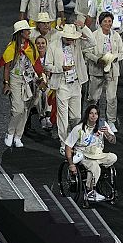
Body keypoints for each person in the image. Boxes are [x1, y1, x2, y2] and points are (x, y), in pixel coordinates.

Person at [46, 23, 94, 153]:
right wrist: (60, 68)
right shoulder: (53, 45)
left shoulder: (78, 44)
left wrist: (84, 27)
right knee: (63, 118)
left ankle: (76, 141)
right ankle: (64, 144)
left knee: (76, 117)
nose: (71, 41)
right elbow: (47, 65)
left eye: (72, 38)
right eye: (68, 38)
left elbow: (92, 41)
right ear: (63, 36)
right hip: (62, 84)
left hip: (76, 84)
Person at [0, 21, 44, 148]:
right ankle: (10, 132)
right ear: (21, 33)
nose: (30, 32)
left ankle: (18, 136)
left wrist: (41, 78)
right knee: (17, 109)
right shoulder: (12, 48)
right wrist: (6, 83)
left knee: (25, 110)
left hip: (29, 80)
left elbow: (36, 64)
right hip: (16, 79)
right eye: (27, 31)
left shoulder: (31, 46)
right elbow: (6, 67)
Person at [64, 105, 118, 202]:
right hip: (84, 156)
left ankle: (95, 174)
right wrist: (71, 164)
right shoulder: (79, 128)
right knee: (94, 167)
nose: (94, 116)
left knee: (113, 157)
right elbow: (68, 146)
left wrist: (107, 134)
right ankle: (90, 191)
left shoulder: (102, 125)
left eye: (96, 114)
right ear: (87, 115)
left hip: (98, 155)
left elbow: (113, 141)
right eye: (91, 113)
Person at [84, 12, 123, 130]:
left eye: (109, 21)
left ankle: (111, 121)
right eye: (105, 21)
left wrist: (114, 57)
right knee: (93, 98)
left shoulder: (116, 36)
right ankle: (90, 120)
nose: (107, 23)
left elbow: (122, 53)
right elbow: (86, 51)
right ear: (100, 23)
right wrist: (97, 60)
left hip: (112, 71)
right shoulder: (93, 35)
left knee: (111, 97)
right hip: (96, 70)